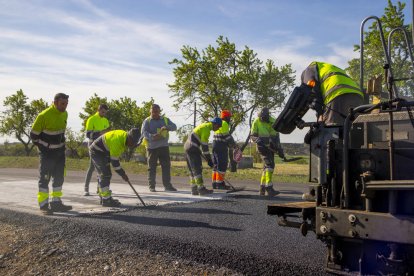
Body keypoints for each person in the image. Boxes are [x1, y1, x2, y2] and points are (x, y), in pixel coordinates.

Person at [301, 61, 364, 201]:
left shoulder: (309, 69)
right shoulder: (330, 68)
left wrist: (319, 114)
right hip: (358, 97)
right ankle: (350, 188)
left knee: (327, 141)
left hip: (337, 96)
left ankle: (320, 192)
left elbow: (312, 91)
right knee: (349, 142)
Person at [30, 93, 72, 215]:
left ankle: (56, 203)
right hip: (47, 153)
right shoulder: (43, 116)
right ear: (55, 102)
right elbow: (34, 136)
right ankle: (43, 205)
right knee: (45, 178)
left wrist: (62, 147)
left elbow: (61, 133)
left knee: (59, 177)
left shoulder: (65, 114)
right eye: (62, 104)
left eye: (66, 104)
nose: (65, 106)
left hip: (60, 153)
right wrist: (45, 148)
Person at [301, 61, 364, 126]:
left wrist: (320, 114)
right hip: (358, 95)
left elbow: (313, 93)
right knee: (356, 129)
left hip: (337, 94)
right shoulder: (325, 67)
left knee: (332, 130)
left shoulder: (308, 71)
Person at [89, 128, 140, 207]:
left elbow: (114, 160)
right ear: (129, 137)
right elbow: (115, 163)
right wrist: (123, 174)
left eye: (135, 143)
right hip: (97, 151)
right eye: (133, 142)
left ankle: (104, 197)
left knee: (104, 174)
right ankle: (106, 200)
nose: (133, 145)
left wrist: (123, 174)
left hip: (104, 151)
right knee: (105, 174)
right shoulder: (118, 141)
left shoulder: (124, 138)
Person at [141, 104, 177, 192]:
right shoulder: (147, 121)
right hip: (152, 148)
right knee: (152, 167)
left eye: (156, 111)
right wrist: (152, 136)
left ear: (159, 111)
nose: (155, 113)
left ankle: (167, 186)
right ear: (150, 111)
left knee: (166, 166)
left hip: (164, 147)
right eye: (153, 112)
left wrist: (167, 127)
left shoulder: (165, 119)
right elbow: (143, 133)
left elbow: (175, 127)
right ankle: (152, 186)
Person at [184, 118, 222, 196]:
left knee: (192, 169)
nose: (218, 128)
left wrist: (208, 159)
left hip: (188, 147)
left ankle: (194, 189)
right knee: (197, 169)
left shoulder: (204, 125)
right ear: (215, 124)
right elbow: (205, 147)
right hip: (193, 148)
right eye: (219, 126)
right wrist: (209, 160)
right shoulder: (206, 129)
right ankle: (201, 189)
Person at [250, 107, 280, 197]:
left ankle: (262, 188)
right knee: (270, 165)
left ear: (268, 116)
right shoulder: (256, 121)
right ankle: (269, 187)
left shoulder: (273, 121)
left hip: (271, 147)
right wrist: (257, 139)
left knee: (266, 167)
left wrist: (279, 148)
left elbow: (276, 136)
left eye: (264, 118)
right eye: (261, 117)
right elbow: (252, 135)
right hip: (261, 147)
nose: (262, 119)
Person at [84, 104, 110, 196]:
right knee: (92, 166)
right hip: (92, 145)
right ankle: (86, 189)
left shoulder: (105, 120)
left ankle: (99, 188)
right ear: (98, 110)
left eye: (105, 112)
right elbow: (88, 134)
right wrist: (100, 133)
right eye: (103, 112)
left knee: (101, 167)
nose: (104, 114)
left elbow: (107, 133)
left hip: (102, 145)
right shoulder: (91, 119)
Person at [211, 110, 238, 190]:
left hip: (214, 145)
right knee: (222, 164)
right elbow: (227, 136)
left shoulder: (217, 123)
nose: (230, 119)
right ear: (226, 117)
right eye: (229, 117)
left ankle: (215, 183)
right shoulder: (224, 123)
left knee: (215, 165)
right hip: (221, 146)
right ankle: (220, 184)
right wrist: (234, 145)